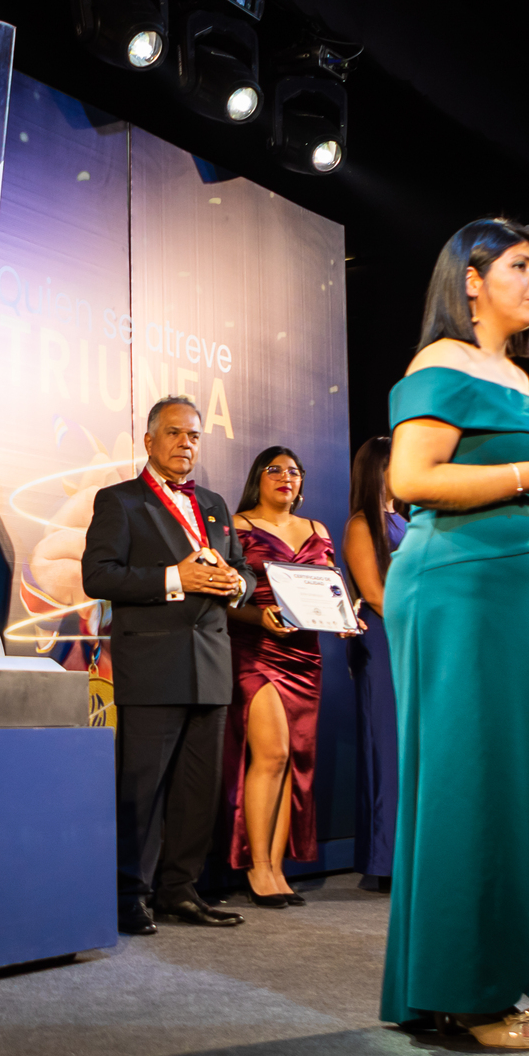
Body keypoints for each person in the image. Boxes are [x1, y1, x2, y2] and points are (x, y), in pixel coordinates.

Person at [381, 217, 529, 1051]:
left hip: (515, 591)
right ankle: (467, 995)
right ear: (471, 279)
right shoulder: (440, 363)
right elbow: (412, 479)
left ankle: (468, 979)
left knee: (520, 798)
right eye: (521, 265)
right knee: (469, 788)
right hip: (456, 588)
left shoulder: (521, 378)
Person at [80, 397, 255, 935]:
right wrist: (176, 577)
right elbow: (98, 576)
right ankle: (128, 895)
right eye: (175, 433)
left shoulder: (215, 505)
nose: (185, 443)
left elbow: (242, 571)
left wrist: (237, 584)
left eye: (194, 435)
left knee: (197, 790)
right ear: (150, 441)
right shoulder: (120, 500)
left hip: (211, 663)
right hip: (153, 664)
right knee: (143, 789)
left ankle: (180, 890)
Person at [221, 445, 342, 908]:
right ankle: (256, 867)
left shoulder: (318, 530)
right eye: (274, 469)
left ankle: (275, 868)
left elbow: (329, 589)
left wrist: (344, 617)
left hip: (305, 655)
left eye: (294, 471)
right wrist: (259, 617)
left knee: (291, 759)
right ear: (258, 477)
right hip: (255, 649)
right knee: (269, 754)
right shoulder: (237, 525)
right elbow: (225, 596)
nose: (285, 477)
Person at [341, 436, 407, 895]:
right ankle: (385, 859)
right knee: (387, 749)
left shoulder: (404, 519)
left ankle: (412, 855)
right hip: (385, 640)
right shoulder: (363, 524)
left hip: (413, 639)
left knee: (411, 750)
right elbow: (376, 595)